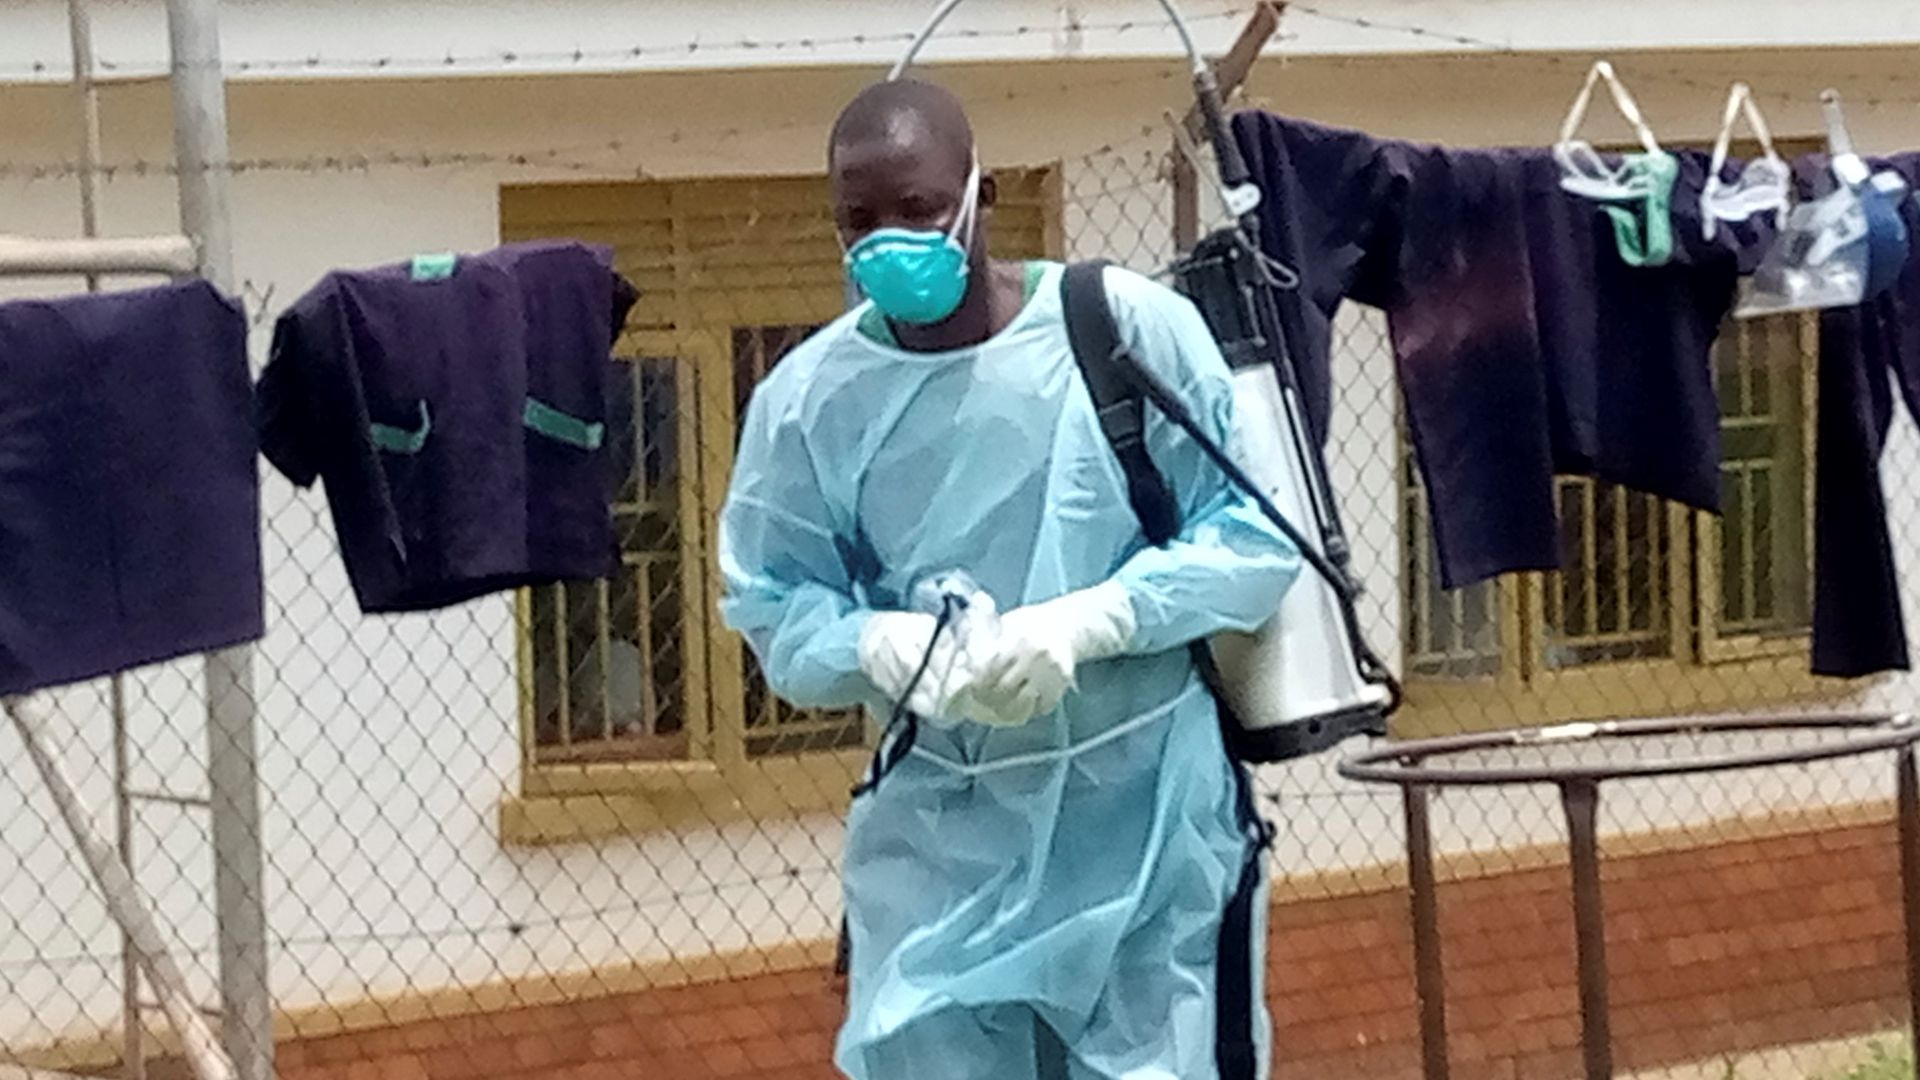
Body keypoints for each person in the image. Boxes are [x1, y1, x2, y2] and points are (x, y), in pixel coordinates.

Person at [718, 78, 1301, 1080]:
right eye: (858, 221)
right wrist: (883, 645)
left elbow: (1256, 539)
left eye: (917, 208)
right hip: (946, 848)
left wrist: (1095, 621)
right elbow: (771, 599)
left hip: (1149, 826)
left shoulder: (1120, 332)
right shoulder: (810, 404)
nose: (887, 241)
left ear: (981, 194)